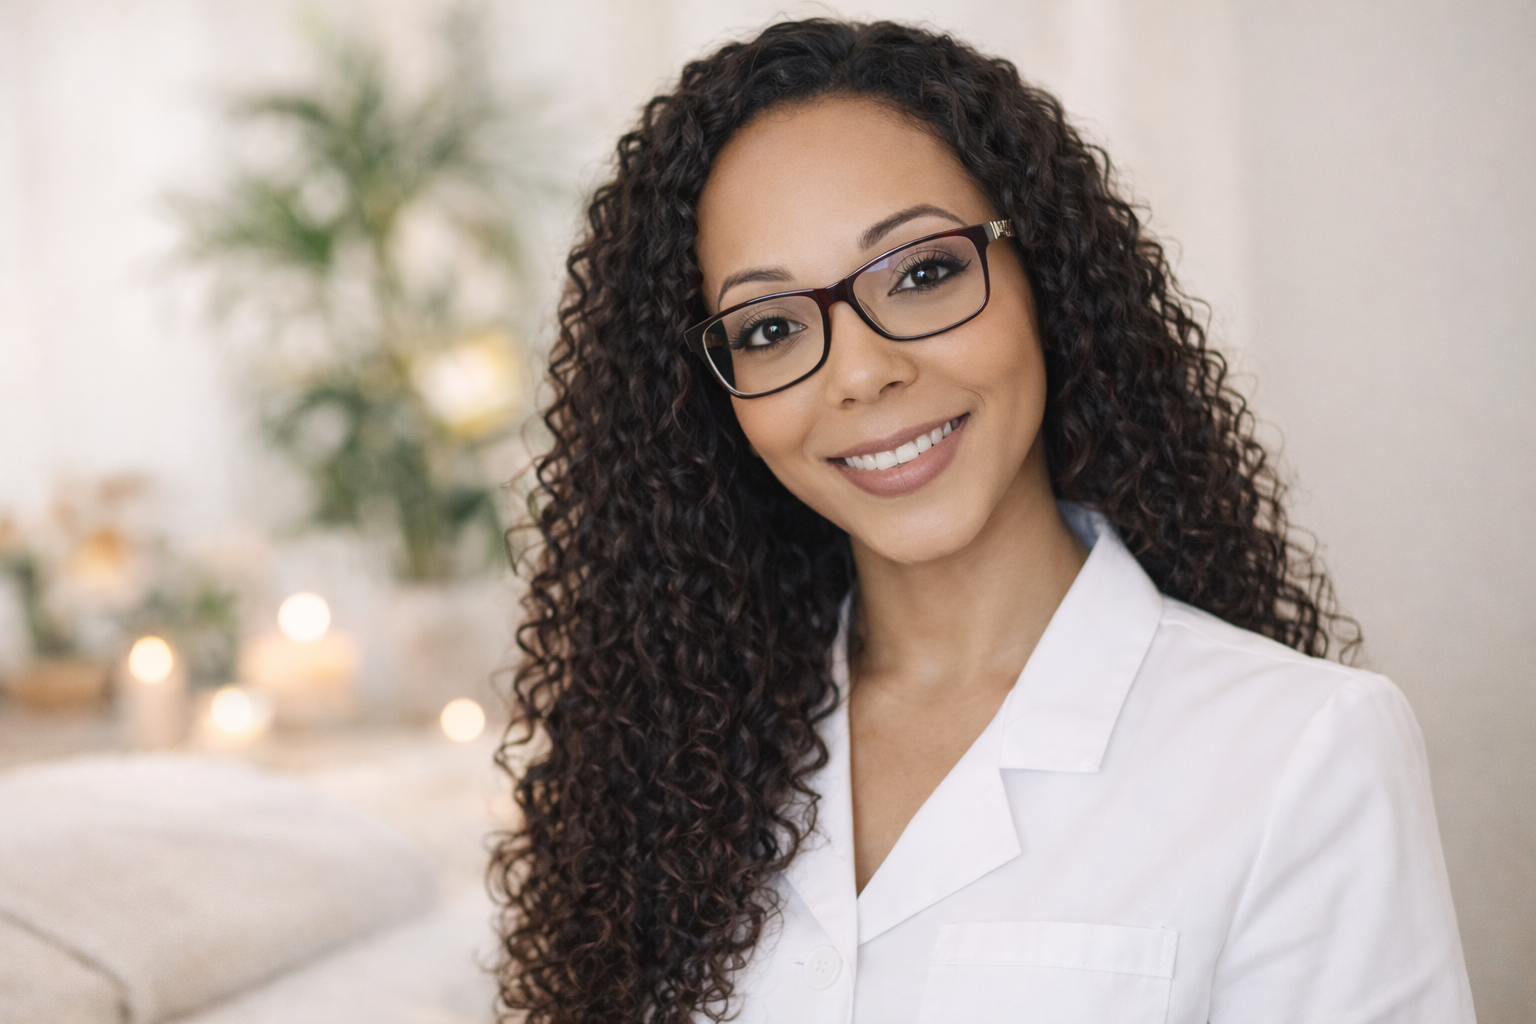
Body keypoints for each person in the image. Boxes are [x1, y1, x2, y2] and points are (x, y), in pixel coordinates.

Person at [489, 19, 1474, 1024]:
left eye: (922, 272)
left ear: (1044, 275)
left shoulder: (1302, 751)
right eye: (771, 327)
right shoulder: (667, 755)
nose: (864, 371)